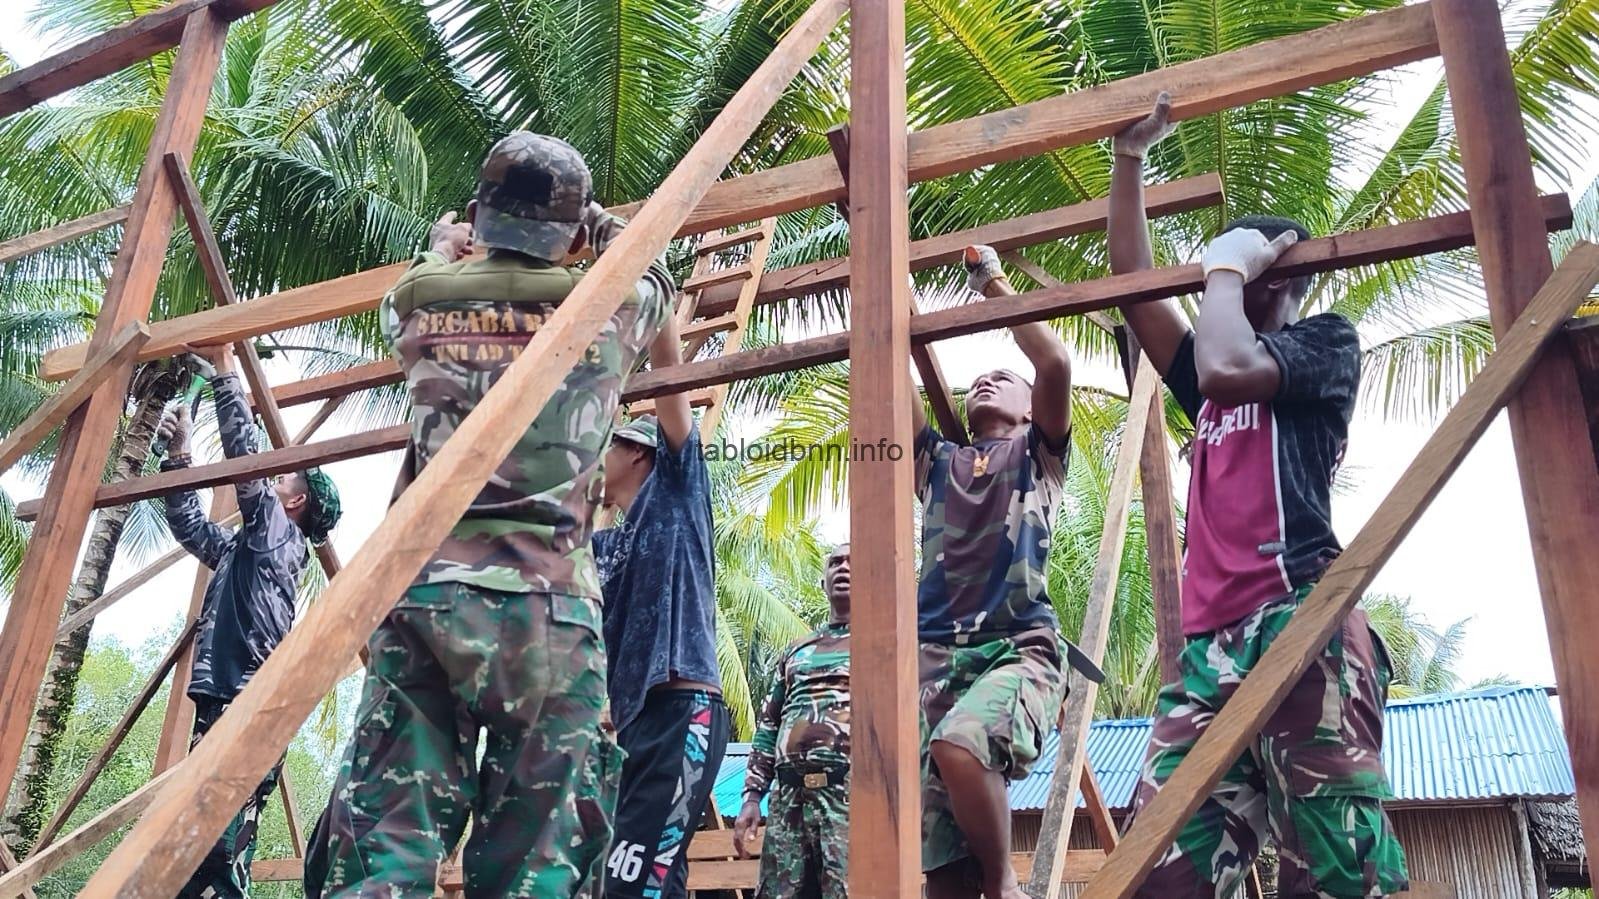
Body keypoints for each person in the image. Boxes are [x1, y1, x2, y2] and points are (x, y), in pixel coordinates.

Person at [312, 131, 674, 898]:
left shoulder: (421, 298)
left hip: (425, 601)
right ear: (571, 237)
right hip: (548, 613)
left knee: (387, 840)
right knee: (538, 858)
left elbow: (411, 284)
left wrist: (441, 248)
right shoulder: (609, 306)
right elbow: (657, 274)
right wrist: (598, 226)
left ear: (478, 219)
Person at [1108, 96, 1409, 898]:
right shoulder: (1203, 378)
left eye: (1242, 260)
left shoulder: (1323, 345)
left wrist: (1224, 267)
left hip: (1299, 617)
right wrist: (1127, 161)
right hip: (1208, 652)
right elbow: (1134, 290)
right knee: (1156, 872)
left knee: (1333, 876)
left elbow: (1226, 367)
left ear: (1277, 273)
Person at [913, 241, 1098, 899]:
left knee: (962, 744)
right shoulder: (938, 462)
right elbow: (889, 374)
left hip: (1018, 647)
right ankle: (978, 881)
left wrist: (989, 281)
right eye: (977, 381)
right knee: (941, 873)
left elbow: (1054, 361)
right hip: (935, 660)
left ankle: (1003, 883)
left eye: (1004, 378)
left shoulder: (1038, 456)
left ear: (1030, 406)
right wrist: (878, 265)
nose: (985, 382)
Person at [156, 346, 341, 899]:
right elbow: (192, 528)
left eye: (285, 479)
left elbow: (246, 466)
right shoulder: (252, 550)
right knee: (204, 841)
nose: (274, 478)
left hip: (243, 700)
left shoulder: (278, 538)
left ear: (296, 503)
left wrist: (223, 378)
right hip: (230, 699)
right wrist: (179, 455)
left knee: (212, 839)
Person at [592, 319, 729, 898]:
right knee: (645, 878)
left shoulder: (676, 491)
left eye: (608, 444)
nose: (597, 456)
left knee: (633, 884)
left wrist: (657, 310)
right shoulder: (602, 547)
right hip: (635, 725)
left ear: (638, 454)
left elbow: (670, 378)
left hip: (682, 712)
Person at [733, 543, 853, 899]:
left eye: (853, 562)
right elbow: (768, 727)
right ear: (823, 581)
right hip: (789, 799)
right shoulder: (797, 651)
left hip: (849, 797)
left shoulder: (884, 644)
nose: (843, 567)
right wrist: (752, 797)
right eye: (835, 562)